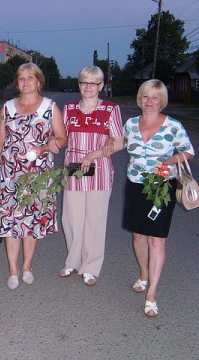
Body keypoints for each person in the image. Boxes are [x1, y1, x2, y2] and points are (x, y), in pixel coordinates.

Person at [122, 79, 194, 317]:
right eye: (145, 96)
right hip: (135, 186)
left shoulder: (173, 125)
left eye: (155, 97)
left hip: (162, 188)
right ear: (139, 99)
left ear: (161, 100)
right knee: (138, 236)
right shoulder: (131, 124)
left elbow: (188, 151)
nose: (149, 101)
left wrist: (169, 161)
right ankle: (144, 273)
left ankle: (152, 293)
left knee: (157, 240)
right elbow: (117, 144)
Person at [0, 63, 67, 289]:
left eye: (30, 77)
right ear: (17, 82)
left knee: (31, 220)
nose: (26, 81)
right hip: (9, 174)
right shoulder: (6, 108)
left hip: (38, 174)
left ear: (39, 82)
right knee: (11, 220)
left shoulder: (50, 107)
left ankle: (27, 266)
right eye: (21, 77)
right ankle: (13, 270)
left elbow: (62, 138)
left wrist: (51, 144)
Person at [59, 66, 124, 286]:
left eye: (94, 83)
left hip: (100, 167)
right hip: (74, 166)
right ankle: (73, 261)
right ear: (79, 84)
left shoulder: (110, 109)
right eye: (84, 82)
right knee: (71, 218)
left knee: (95, 220)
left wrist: (94, 154)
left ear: (101, 86)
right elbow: (61, 137)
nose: (88, 87)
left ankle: (91, 266)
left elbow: (119, 141)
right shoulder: (68, 109)